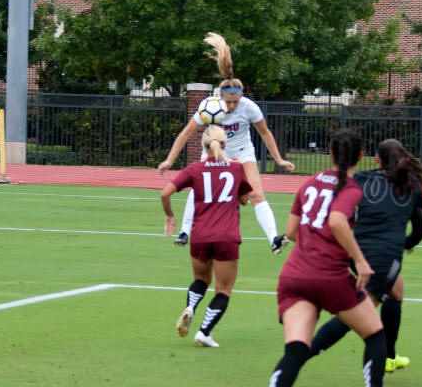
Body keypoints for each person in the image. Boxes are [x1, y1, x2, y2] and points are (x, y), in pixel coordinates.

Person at [158, 32, 295, 255]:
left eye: (235, 101)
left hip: (242, 152)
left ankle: (274, 239)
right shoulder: (209, 107)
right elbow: (185, 134)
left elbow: (265, 133)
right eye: (228, 101)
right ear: (220, 96)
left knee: (256, 195)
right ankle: (184, 231)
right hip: (214, 152)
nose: (232, 106)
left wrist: (279, 159)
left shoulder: (249, 107)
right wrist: (169, 160)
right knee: (198, 188)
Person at [269, 129, 386, 387]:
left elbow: (291, 231)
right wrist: (360, 260)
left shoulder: (310, 182)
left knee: (296, 351)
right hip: (330, 277)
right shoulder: (351, 189)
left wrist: (312, 246)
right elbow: (336, 221)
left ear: (331, 153)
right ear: (361, 156)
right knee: (375, 336)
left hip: (294, 276)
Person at [309, 138, 422, 372]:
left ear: (377, 159)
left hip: (356, 252)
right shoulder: (413, 183)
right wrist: (408, 243)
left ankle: (389, 357)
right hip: (384, 257)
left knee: (396, 291)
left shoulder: (362, 179)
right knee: (356, 313)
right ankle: (302, 353)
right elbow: (421, 228)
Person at [160, 125, 253, 347]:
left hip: (200, 235)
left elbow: (165, 193)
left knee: (201, 280)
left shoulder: (195, 169)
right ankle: (204, 332)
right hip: (226, 236)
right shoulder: (236, 168)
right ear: (225, 144)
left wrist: (170, 215)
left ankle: (190, 307)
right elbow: (244, 199)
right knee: (223, 289)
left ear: (203, 145)